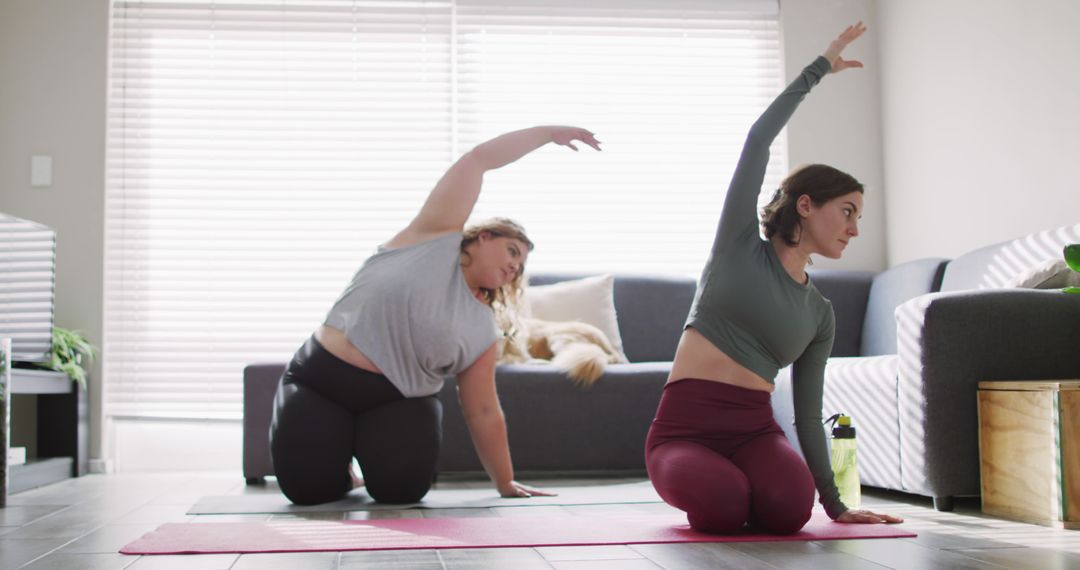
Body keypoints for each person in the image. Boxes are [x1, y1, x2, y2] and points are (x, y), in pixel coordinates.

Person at [644, 22, 904, 534]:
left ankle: (757, 488)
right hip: (684, 432)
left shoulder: (820, 314)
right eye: (848, 212)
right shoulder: (737, 247)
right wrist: (818, 69)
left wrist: (835, 504)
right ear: (805, 205)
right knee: (722, 505)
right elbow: (758, 139)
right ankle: (727, 487)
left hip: (754, 431)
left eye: (859, 219)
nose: (854, 229)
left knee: (789, 510)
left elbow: (808, 415)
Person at [270, 126, 602, 505]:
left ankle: (365, 455)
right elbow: (477, 160)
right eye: (512, 251)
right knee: (308, 492)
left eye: (521, 265)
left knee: (402, 492)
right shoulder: (430, 238)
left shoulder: (482, 328)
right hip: (322, 382)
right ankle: (342, 469)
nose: (515, 267)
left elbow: (482, 410)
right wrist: (547, 134)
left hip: (397, 402)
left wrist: (505, 483)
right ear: (483, 237)